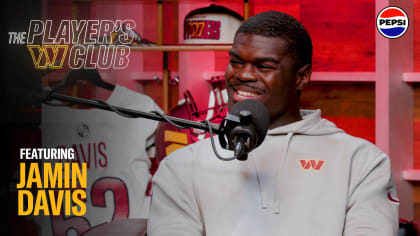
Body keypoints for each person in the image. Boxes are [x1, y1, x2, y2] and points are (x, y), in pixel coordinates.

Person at [147, 11, 399, 236]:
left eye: (264, 66)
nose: (243, 75)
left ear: (301, 77)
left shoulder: (362, 162)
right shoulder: (182, 166)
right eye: (235, 62)